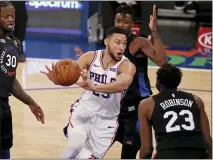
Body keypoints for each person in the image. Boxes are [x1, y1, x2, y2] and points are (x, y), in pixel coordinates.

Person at [74, 2, 167, 158]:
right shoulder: (111, 43)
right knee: (90, 152)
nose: (122, 25)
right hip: (112, 107)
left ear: (132, 24)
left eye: (126, 22)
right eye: (119, 21)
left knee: (129, 154)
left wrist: (154, 30)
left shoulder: (139, 42)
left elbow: (162, 62)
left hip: (135, 107)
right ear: (114, 21)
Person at [41, 27, 136, 159]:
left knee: (84, 158)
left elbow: (121, 85)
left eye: (124, 43)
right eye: (117, 42)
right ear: (107, 42)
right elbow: (72, 73)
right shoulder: (91, 56)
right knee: (75, 146)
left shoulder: (127, 65)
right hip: (84, 110)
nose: (121, 47)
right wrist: (57, 79)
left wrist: (94, 87)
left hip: (106, 122)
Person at [0, 1, 45, 159]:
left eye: (12, 16)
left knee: (5, 151)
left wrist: (30, 101)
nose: (11, 19)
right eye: (5, 16)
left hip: (4, 107)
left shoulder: (14, 43)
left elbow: (10, 80)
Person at [138, 64, 212, 159]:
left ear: (158, 82)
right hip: (197, 153)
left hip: (168, 154)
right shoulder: (196, 100)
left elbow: (147, 149)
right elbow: (207, 140)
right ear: (178, 81)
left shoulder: (147, 104)